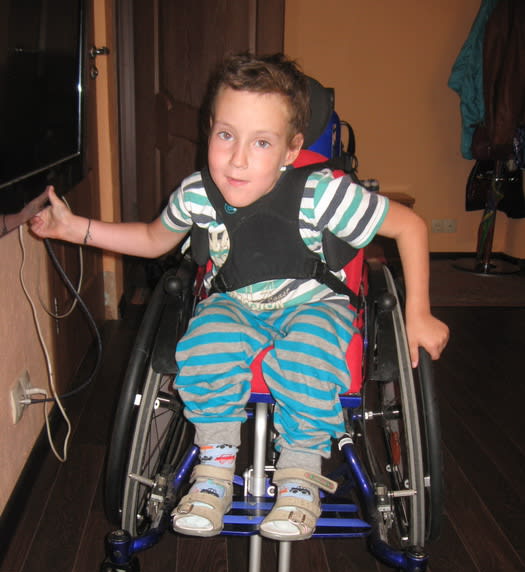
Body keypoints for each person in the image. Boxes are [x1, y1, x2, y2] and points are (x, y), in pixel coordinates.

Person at [30, 52, 449, 542]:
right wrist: (73, 228)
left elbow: (410, 226)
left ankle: (299, 477)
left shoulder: (324, 192)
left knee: (307, 353)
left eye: (262, 142)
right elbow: (150, 238)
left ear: (292, 150)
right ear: (209, 130)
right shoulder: (198, 194)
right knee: (203, 343)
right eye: (226, 135)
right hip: (236, 302)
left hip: (315, 303)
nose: (238, 159)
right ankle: (213, 472)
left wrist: (418, 312)